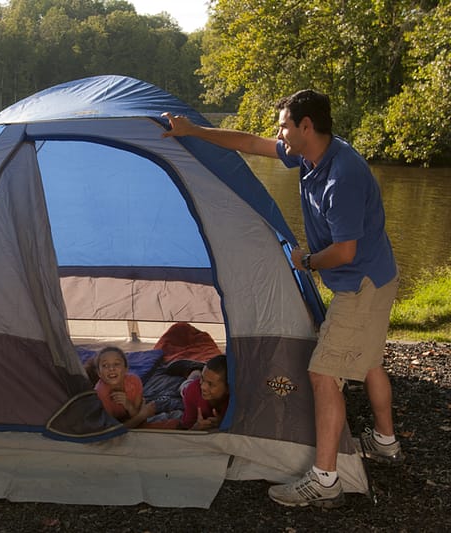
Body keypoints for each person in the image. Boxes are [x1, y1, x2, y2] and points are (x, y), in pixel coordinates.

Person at [163, 89, 402, 508]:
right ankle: (385, 442)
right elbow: (251, 144)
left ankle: (325, 480)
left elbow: (344, 251)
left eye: (284, 125)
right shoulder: (312, 157)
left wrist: (306, 260)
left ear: (306, 126)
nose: (278, 132)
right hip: (375, 278)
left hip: (360, 284)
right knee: (368, 361)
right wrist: (193, 131)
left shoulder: (341, 175)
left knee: (323, 375)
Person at [94, 347, 155, 429]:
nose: (111, 369)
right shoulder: (100, 393)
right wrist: (142, 415)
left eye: (116, 364)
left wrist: (128, 405)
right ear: (99, 373)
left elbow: (136, 415)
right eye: (105, 365)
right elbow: (112, 431)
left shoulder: (134, 382)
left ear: (126, 369)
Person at [179, 355, 229, 431]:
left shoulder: (235, 400)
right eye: (202, 379)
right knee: (184, 387)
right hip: (190, 387)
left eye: (210, 384)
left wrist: (224, 423)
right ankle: (195, 369)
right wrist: (195, 428)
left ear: (228, 389)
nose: (203, 387)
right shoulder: (193, 390)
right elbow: (187, 428)